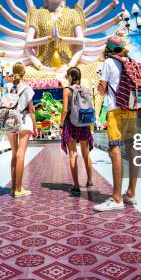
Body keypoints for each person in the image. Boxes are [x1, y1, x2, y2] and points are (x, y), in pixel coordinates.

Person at [93, 35, 138, 212]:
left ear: (109, 49)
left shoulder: (109, 62)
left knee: (115, 150)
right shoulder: (131, 61)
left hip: (115, 110)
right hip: (131, 109)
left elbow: (102, 89)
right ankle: (132, 193)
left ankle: (117, 197)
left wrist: (100, 88)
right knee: (132, 147)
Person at [60, 67, 94, 195]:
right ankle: (90, 180)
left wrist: (61, 126)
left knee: (73, 154)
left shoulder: (67, 90)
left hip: (71, 124)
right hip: (84, 123)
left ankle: (76, 186)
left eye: (67, 74)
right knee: (86, 154)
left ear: (70, 76)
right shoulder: (85, 89)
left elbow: (64, 110)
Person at [6, 62, 37, 197]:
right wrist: (35, 128)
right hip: (23, 121)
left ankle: (13, 187)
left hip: (9, 121)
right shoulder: (27, 89)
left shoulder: (7, 87)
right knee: (21, 155)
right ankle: (19, 189)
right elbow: (31, 110)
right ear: (24, 73)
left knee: (14, 154)